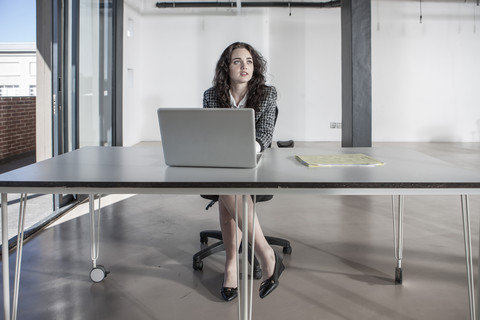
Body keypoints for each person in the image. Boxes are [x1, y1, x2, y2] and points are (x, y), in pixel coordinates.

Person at [203, 42, 285, 301]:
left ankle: (231, 264)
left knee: (228, 187)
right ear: (227, 67)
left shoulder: (267, 94)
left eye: (249, 61)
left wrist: (242, 151)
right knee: (228, 182)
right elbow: (207, 135)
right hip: (220, 162)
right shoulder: (211, 95)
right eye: (237, 61)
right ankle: (266, 254)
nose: (244, 66)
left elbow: (265, 136)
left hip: (254, 162)